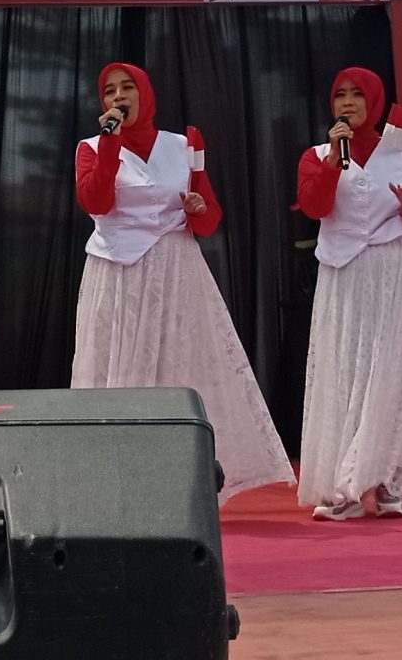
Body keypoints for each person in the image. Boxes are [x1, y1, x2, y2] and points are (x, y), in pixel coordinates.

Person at [71, 63, 294, 500]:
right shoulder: (92, 147)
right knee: (119, 372)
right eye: (109, 91)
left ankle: (181, 482)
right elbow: (95, 200)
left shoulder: (185, 144)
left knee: (179, 368)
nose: (118, 96)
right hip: (118, 272)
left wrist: (196, 208)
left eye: (127, 88)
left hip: (175, 270)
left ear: (145, 94)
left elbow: (210, 218)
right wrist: (112, 143)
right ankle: (119, 480)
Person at [293, 67, 402, 521]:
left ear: (374, 101)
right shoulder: (317, 154)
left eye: (357, 95)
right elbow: (314, 206)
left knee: (391, 376)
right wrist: (335, 161)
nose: (348, 103)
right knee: (345, 373)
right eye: (341, 95)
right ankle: (345, 489)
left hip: (393, 271)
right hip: (345, 273)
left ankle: (388, 485)